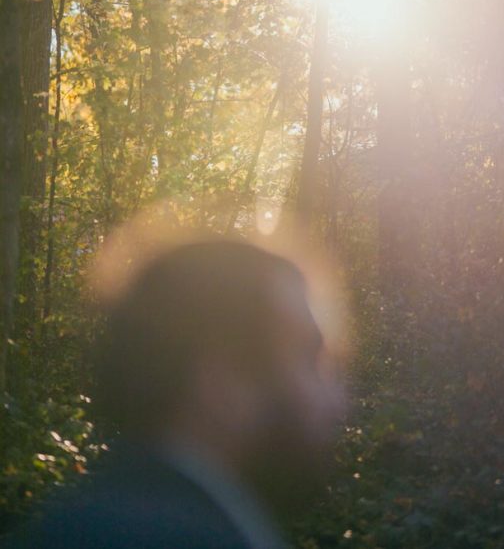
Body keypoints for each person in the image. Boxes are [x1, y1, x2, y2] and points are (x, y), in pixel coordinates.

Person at [3, 230, 345, 548]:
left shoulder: (75, 522)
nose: (337, 401)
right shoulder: (193, 537)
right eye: (308, 359)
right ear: (220, 379)